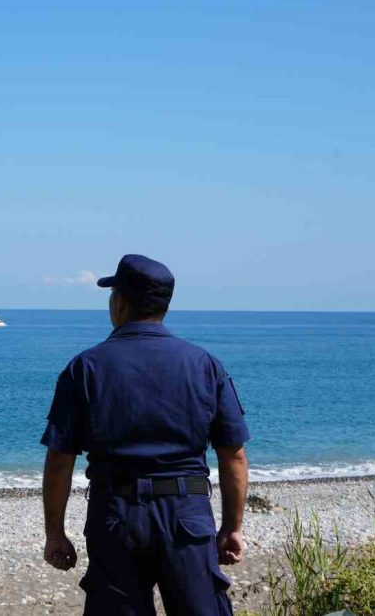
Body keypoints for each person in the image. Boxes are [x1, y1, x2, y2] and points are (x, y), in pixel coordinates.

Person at [40, 254, 250, 615]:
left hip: (116, 516)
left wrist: (55, 533)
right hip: (187, 515)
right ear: (164, 306)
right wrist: (232, 527)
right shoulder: (204, 365)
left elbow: (60, 459)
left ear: (119, 302)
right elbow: (233, 455)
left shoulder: (86, 368)